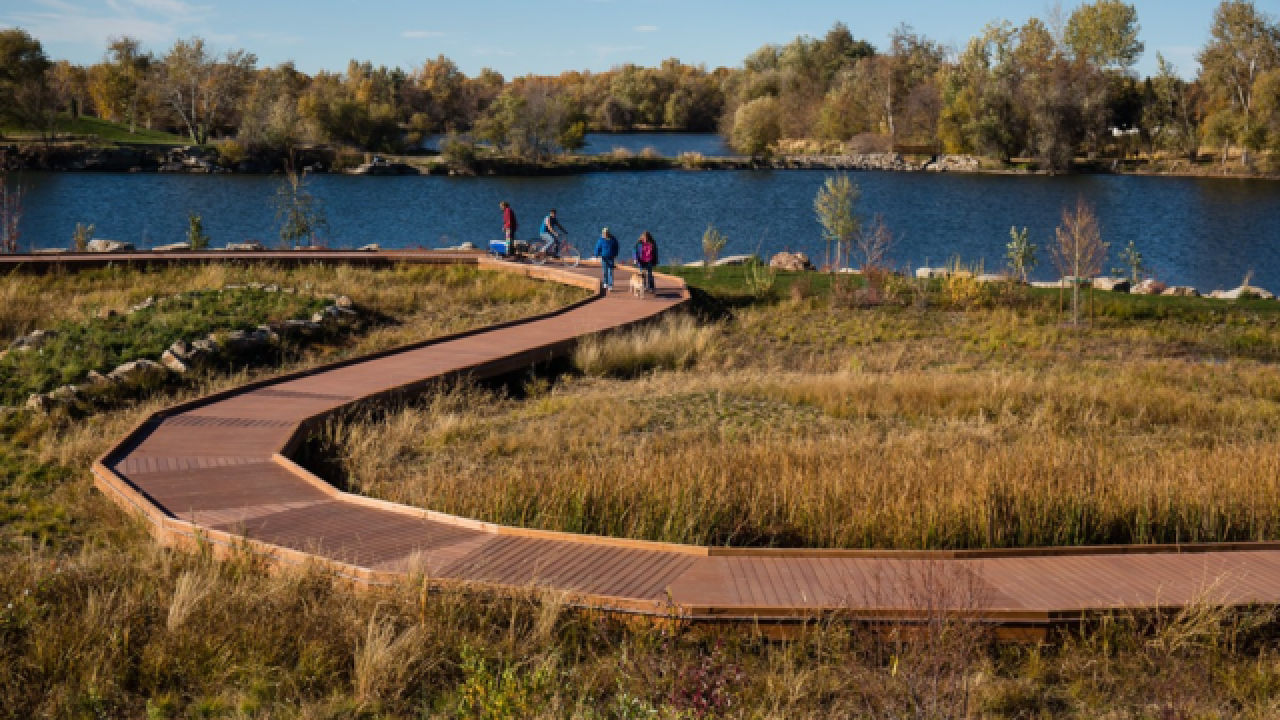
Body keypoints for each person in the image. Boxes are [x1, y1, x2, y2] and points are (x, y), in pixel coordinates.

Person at [594, 227, 619, 292]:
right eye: (604, 233)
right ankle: (605, 283)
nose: (605, 234)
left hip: (611, 257)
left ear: (608, 233)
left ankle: (610, 285)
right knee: (605, 271)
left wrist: (615, 254)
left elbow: (616, 247)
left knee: (610, 271)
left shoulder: (613, 239)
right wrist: (596, 254)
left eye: (606, 233)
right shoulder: (601, 240)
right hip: (604, 257)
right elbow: (598, 247)